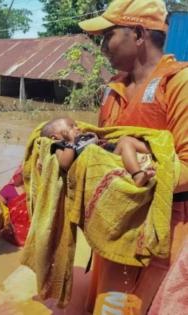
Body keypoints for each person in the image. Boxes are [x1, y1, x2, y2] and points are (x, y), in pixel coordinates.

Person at [78, 0, 188, 313]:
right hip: (118, 223)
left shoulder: (179, 84)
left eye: (108, 35)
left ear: (138, 34)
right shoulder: (114, 91)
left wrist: (135, 170)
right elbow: (102, 149)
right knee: (105, 305)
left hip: (165, 226)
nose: (102, 47)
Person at [42, 117, 155, 186]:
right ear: (54, 137)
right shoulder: (60, 145)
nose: (77, 128)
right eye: (71, 127)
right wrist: (70, 142)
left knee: (127, 139)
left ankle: (156, 152)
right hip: (102, 164)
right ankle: (137, 175)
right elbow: (65, 164)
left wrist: (97, 139)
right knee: (125, 143)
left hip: (107, 152)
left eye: (76, 126)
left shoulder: (81, 137)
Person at [0, 165, 30, 246]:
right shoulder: (8, 189)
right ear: (19, 174)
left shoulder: (33, 189)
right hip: (13, 228)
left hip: (30, 227)